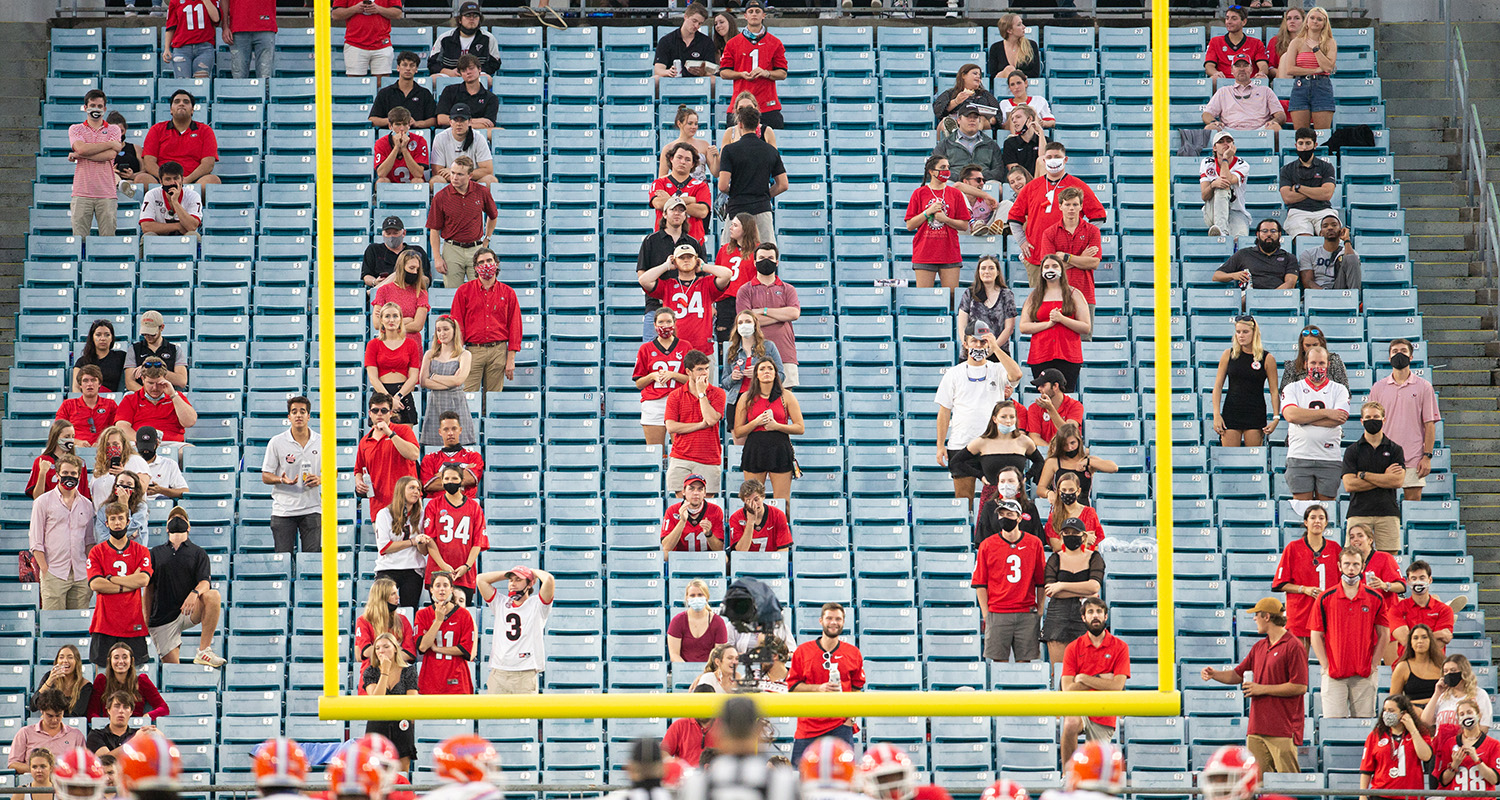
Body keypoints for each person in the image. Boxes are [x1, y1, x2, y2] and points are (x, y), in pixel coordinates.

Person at [1200, 598, 1308, 776]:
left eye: (1256, 615)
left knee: (1289, 784)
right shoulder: (1259, 647)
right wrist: (1215, 674)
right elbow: (1237, 674)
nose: (1254, 619)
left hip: (1283, 729)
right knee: (1255, 785)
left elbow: (1300, 686)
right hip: (1256, 729)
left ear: (1266, 616)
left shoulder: (1294, 646)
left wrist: (1261, 688)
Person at [937, 327, 1021, 499]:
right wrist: (940, 445)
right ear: (966, 344)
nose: (978, 345)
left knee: (998, 500)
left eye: (982, 341)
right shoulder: (953, 373)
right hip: (961, 443)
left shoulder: (997, 369)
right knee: (963, 498)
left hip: (993, 444)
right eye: (974, 341)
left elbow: (1016, 375)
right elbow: (944, 411)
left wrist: (996, 348)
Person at [1008, 143, 1107, 287]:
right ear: (1044, 160)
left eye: (1057, 157)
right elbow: (1014, 217)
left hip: (1069, 260)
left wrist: (1083, 240)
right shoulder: (1031, 187)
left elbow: (1098, 216)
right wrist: (1022, 241)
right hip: (1037, 258)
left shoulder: (1077, 185)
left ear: (1065, 159)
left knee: (1069, 306)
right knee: (1041, 306)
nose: (1053, 160)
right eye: (1049, 157)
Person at [1312, 548, 1389, 718]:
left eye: (1356, 564)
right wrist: (1325, 666)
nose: (1351, 569)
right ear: (1339, 566)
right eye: (1347, 564)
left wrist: (1374, 664)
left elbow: (1384, 634)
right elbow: (1316, 635)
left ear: (1363, 567)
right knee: (1333, 727)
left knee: (1363, 728)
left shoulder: (1375, 598)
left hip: (1364, 674)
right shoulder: (1325, 598)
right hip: (1334, 674)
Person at [144, 508, 224, 667]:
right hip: (162, 616)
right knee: (173, 669)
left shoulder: (198, 553)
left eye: (181, 518)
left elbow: (205, 583)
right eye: (173, 518)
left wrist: (194, 593)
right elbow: (149, 589)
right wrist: (145, 619)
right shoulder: (155, 553)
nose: (177, 519)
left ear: (189, 527)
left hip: (188, 610)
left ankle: (204, 651)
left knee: (213, 595)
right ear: (167, 527)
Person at [787, 603, 865, 763]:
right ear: (821, 621)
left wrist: (851, 719)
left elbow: (857, 688)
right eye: (829, 618)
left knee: (844, 778)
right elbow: (793, 688)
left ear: (843, 622)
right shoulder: (802, 651)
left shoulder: (853, 653)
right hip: (808, 726)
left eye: (838, 619)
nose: (834, 622)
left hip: (840, 725)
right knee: (802, 777)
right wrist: (818, 688)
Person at [971, 498, 1046, 663]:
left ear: (1019, 518)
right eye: (1002, 514)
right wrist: (986, 613)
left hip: (1026, 612)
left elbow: (1041, 581)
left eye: (1010, 514)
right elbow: (980, 583)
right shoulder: (987, 545)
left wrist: (1039, 610)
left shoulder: (1034, 544)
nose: (1005, 518)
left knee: (1025, 662)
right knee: (999, 664)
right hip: (998, 612)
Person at [1369, 339, 1439, 502]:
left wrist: (1427, 457)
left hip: (1414, 456)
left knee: (1413, 505)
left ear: (1411, 357)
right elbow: (1371, 425)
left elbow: (1429, 424)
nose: (1399, 354)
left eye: (1403, 351)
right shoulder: (1378, 388)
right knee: (1384, 507)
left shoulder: (1424, 387)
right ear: (1389, 358)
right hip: (1384, 456)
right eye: (1394, 351)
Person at [1060, 598, 1130, 762]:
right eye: (1090, 612)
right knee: (1070, 724)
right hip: (1079, 707)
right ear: (1083, 618)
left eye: (1099, 611)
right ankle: (1067, 775)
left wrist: (1084, 679)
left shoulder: (1120, 647)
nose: (1095, 616)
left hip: (1105, 711)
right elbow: (1067, 688)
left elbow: (1117, 686)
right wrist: (1102, 680)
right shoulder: (1073, 647)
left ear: (1106, 616)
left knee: (1095, 761)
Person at [86, 503, 153, 666]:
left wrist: (111, 579)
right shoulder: (97, 551)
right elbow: (95, 584)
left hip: (133, 622)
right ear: (107, 523)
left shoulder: (141, 551)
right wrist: (130, 582)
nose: (117, 523)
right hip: (104, 624)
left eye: (121, 518)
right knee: (102, 679)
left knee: (135, 678)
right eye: (113, 519)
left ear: (128, 521)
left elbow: (143, 580)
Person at [449, 248, 522, 395]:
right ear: (475, 268)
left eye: (489, 260)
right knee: (468, 396)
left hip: (498, 350)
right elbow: (457, 325)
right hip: (472, 351)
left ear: (496, 263)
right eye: (481, 262)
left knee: (493, 398)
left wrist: (511, 359)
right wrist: (457, 355)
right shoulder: (463, 291)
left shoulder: (508, 293)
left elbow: (515, 326)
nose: (486, 264)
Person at [1281, 346, 1350, 501]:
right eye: (1313, 363)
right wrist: (1327, 412)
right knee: (1302, 509)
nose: (1317, 367)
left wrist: (1304, 417)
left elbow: (1339, 418)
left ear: (1328, 365)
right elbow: (1291, 415)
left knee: (1327, 511)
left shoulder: (1339, 390)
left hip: (1329, 458)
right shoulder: (1293, 388)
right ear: (1305, 364)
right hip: (1299, 455)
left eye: (1321, 363)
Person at [476, 565, 555, 694]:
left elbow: (549, 580)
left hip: (525, 672)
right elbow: (481, 579)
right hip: (499, 672)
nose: (513, 584)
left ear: (530, 583)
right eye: (511, 580)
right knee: (496, 714)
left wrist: (532, 572)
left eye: (518, 580)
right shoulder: (500, 603)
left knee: (524, 714)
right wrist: (512, 572)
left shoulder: (538, 605)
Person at [731, 358, 803, 499]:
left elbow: (800, 427)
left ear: (776, 373)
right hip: (755, 450)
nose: (766, 372)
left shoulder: (786, 396)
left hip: (780, 449)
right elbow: (738, 431)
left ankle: (782, 521)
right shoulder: (746, 397)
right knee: (753, 499)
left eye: (770, 369)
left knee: (783, 501)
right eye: (762, 369)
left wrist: (777, 426)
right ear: (756, 374)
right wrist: (756, 423)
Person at [30, 454, 94, 611]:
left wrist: (89, 568)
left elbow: (89, 541)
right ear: (57, 475)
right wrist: (45, 570)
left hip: (80, 574)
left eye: (73, 473)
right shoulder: (42, 502)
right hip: (54, 573)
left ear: (79, 475)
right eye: (65, 473)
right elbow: (36, 541)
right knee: (53, 625)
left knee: (78, 626)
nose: (69, 477)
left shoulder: (87, 505)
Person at [1272, 504, 1341, 649]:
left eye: (1321, 518)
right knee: (1299, 663)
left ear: (1326, 523)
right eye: (1313, 517)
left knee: (1332, 666)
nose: (1317, 521)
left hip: (1328, 613)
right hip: (1301, 614)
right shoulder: (1293, 548)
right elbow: (1279, 584)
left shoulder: (1335, 548)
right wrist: (1304, 589)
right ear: (1305, 522)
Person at [717, 106, 788, 246]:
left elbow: (722, 185)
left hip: (737, 209)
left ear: (740, 124)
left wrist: (738, 192)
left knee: (730, 254)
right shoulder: (770, 150)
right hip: (762, 208)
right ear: (758, 124)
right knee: (766, 256)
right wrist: (764, 195)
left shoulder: (730, 150)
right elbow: (783, 184)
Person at [1343, 403, 1407, 554]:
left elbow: (1397, 481)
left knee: (1389, 562)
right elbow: (1349, 484)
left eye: (1376, 417)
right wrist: (1384, 479)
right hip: (1358, 512)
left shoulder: (1395, 449)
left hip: (1387, 512)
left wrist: (1365, 475)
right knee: (1353, 559)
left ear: (1384, 420)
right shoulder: (1352, 451)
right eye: (1368, 417)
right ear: (1362, 421)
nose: (1373, 420)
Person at [1019, 255, 1091, 390]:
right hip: (1041, 354)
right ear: (1041, 271)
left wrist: (1062, 319)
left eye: (1054, 266)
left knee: (1065, 395)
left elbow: (1086, 327)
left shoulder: (1074, 294)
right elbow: (1023, 326)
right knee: (1044, 396)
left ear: (1061, 270)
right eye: (1046, 267)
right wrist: (1048, 324)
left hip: (1068, 354)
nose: (1050, 269)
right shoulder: (1034, 296)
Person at [734, 243, 800, 387]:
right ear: (754, 262)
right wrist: (781, 314)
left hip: (784, 352)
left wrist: (763, 311)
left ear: (777, 262)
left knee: (784, 403)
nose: (766, 261)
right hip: (753, 355)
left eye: (770, 258)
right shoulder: (745, 290)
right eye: (762, 258)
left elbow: (794, 313)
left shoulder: (788, 289)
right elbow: (745, 321)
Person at [262, 396, 321, 554]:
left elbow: (333, 472)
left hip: (312, 509)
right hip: (283, 510)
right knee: (283, 560)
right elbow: (266, 475)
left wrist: (320, 479)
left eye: (303, 411)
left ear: (309, 416)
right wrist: (281, 479)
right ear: (289, 417)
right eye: (294, 412)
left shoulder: (321, 442)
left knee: (311, 562)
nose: (298, 415)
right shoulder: (276, 442)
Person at [420, 465, 486, 604]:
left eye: (455, 478)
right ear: (442, 481)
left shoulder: (474, 507)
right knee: (440, 616)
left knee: (462, 619)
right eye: (447, 478)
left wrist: (466, 566)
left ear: (461, 481)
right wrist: (443, 565)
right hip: (438, 572)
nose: (451, 481)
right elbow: (429, 539)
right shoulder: (433, 505)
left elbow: (478, 541)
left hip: (465, 573)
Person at [427, 157, 497, 287]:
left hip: (476, 248)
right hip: (452, 249)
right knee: (453, 294)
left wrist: (487, 239)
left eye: (460, 174)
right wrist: (437, 257)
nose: (454, 177)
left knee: (480, 292)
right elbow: (434, 229)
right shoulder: (441, 196)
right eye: (452, 173)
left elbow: (493, 216)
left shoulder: (482, 192)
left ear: (470, 175)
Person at [904, 154, 972, 289]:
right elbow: (910, 225)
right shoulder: (919, 193)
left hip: (949, 252)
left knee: (952, 296)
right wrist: (927, 212)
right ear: (931, 171)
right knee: (924, 297)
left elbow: (964, 225)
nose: (946, 170)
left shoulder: (956, 194)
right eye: (942, 167)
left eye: (948, 167)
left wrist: (945, 219)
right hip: (924, 252)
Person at [1212, 315, 1280, 447]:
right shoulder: (1228, 355)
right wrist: (1216, 414)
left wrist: (1276, 417)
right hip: (1232, 411)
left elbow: (1273, 390)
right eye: (1238, 332)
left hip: (1255, 412)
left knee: (1253, 458)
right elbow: (1218, 386)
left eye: (1245, 332)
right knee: (1230, 458)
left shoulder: (1267, 358)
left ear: (1254, 333)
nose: (1241, 335)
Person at [665, 351, 728, 494]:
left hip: (708, 457)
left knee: (707, 506)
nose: (704, 373)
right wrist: (700, 425)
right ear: (688, 371)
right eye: (700, 369)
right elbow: (671, 426)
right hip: (681, 457)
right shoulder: (675, 396)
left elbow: (711, 419)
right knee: (682, 505)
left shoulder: (718, 393)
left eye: (706, 368)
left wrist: (702, 394)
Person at [718, 1, 786, 128]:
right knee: (734, 144)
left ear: (763, 15)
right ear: (745, 16)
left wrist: (767, 73)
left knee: (772, 144)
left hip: (767, 104)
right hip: (740, 104)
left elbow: (782, 73)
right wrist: (740, 74)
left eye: (757, 11)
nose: (754, 14)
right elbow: (723, 72)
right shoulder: (733, 43)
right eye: (750, 11)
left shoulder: (775, 43)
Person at [353, 393, 421, 519]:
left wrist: (389, 433)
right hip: (378, 507)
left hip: (406, 503)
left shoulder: (403, 431)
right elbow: (358, 470)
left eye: (384, 410)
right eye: (375, 410)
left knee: (410, 540)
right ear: (370, 413)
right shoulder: (364, 441)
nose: (379, 414)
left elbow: (414, 454)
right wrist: (358, 482)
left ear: (390, 413)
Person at [360, 632, 419, 769]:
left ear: (395, 648)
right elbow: (376, 702)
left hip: (402, 726)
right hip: (377, 726)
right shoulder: (370, 672)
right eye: (377, 648)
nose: (381, 651)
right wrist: (384, 671)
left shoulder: (409, 671)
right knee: (377, 775)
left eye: (386, 646)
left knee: (401, 775)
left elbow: (412, 703)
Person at [1039, 187, 1103, 312]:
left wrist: (1066, 257)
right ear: (1060, 206)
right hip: (1057, 294)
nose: (1071, 208)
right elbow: (1049, 268)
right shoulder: (1049, 233)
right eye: (1067, 204)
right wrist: (1082, 259)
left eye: (1075, 204)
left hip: (1085, 294)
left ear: (1081, 206)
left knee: (1085, 331)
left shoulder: (1093, 231)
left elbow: (1094, 263)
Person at [69, 89, 122, 237]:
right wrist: (110, 144)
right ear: (85, 108)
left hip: (106, 193)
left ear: (104, 109)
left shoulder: (114, 129)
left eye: (99, 106)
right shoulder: (76, 129)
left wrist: (81, 155)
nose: (96, 109)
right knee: (79, 241)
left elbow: (111, 155)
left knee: (107, 241)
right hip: (81, 193)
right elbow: (81, 148)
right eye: (92, 105)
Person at [414, 571, 476, 695]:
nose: (442, 589)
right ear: (431, 590)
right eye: (437, 586)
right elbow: (422, 647)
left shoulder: (464, 615)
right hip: (431, 678)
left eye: (445, 585)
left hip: (457, 679)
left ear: (451, 589)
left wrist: (437, 649)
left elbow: (466, 650)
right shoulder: (422, 614)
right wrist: (438, 621)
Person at [1359, 695, 1432, 799]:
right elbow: (1366, 768)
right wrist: (1362, 795)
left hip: (1410, 795)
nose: (1387, 714)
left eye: (1391, 710)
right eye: (1385, 710)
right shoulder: (1376, 735)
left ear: (1403, 713)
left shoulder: (1421, 732)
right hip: (1381, 794)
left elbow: (1426, 756)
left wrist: (1412, 730)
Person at [140, 90, 220, 186]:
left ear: (192, 110)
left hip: (193, 181)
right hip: (162, 181)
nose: (181, 104)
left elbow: (208, 164)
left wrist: (186, 180)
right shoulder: (156, 129)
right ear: (171, 110)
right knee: (141, 179)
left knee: (213, 180)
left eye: (186, 102)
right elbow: (149, 162)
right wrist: (166, 179)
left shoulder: (205, 130)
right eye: (177, 102)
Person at [373, 477, 427, 614]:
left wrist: (420, 543)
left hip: (413, 570)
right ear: (400, 490)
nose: (416, 492)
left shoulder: (422, 515)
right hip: (388, 569)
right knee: (385, 613)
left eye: (418, 489)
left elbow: (424, 551)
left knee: (409, 613)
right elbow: (384, 548)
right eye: (412, 488)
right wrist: (412, 542)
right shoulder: (384, 514)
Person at [355, 578, 418, 692]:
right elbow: (365, 651)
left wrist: (383, 655)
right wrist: (393, 651)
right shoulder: (363, 621)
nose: (398, 597)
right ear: (382, 597)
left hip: (398, 681)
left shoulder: (403, 621)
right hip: (371, 680)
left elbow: (410, 653)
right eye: (393, 594)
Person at [1280, 6, 1337, 131]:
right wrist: (1314, 70)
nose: (1315, 21)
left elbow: (1328, 67)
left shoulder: (1330, 42)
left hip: (1322, 86)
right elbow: (1290, 69)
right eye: (1312, 18)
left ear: (1324, 23)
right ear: (1307, 21)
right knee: (1301, 133)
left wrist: (1315, 49)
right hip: (1301, 86)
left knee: (1322, 133)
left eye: (1319, 19)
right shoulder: (1296, 42)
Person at [365, 302, 422, 427]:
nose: (391, 320)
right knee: (381, 441)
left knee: (405, 441)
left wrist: (398, 397)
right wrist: (389, 400)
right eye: (387, 316)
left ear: (401, 319)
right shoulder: (373, 344)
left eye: (395, 316)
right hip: (381, 394)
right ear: (381, 320)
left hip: (403, 395)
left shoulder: (411, 344)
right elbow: (372, 377)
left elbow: (413, 376)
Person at [1036, 423, 1118, 506]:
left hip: (1084, 510)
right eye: (1065, 444)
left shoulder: (1088, 461)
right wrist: (1049, 493)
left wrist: (1088, 462)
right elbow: (1040, 489)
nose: (1069, 447)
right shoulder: (1053, 462)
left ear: (1079, 442)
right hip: (1062, 510)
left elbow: (1113, 468)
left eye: (1072, 443)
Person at [1278, 127, 1338, 239]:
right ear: (1296, 145)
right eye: (1301, 143)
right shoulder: (1286, 169)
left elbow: (1326, 194)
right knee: (1304, 240)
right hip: (1298, 212)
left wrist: (1298, 187)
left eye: (1308, 143)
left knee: (1330, 236)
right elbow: (1287, 198)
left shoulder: (1326, 167)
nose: (1304, 148)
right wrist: (1316, 191)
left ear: (1315, 145)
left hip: (1323, 210)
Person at [1433, 698, 1500, 794]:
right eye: (1462, 714)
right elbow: (1444, 781)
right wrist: (1454, 765)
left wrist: (1477, 760)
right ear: (1458, 719)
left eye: (1469, 712)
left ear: (1478, 715)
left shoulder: (1494, 745)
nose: (1466, 716)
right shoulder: (1449, 743)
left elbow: (1494, 780)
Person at [115, 366, 195, 445]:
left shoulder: (177, 396)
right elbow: (122, 426)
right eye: (150, 383)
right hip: (140, 443)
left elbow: (189, 422)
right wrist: (143, 440)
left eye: (159, 383)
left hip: (172, 444)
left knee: (189, 450)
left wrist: (173, 395)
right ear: (143, 380)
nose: (155, 388)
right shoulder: (130, 399)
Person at [1203, 56, 1286, 131]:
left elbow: (1281, 115)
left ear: (1251, 69)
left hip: (1260, 129)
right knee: (1209, 128)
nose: (1241, 69)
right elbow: (1206, 114)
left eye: (1245, 66)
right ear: (1232, 70)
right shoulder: (1223, 91)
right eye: (1238, 66)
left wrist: (1274, 121)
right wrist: (1213, 122)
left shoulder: (1265, 90)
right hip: (1229, 130)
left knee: (1275, 128)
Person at [86, 643, 168, 719]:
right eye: (116, 657)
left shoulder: (142, 681)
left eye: (125, 657)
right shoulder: (101, 681)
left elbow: (163, 708)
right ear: (109, 661)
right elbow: (92, 713)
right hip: (109, 729)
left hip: (134, 729)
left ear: (131, 660)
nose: (121, 661)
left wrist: (147, 716)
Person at [7, 691, 85, 771]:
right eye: (50, 716)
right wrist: (39, 770)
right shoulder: (25, 733)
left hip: (65, 781)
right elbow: (13, 765)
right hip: (33, 781)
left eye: (58, 715)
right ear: (41, 711)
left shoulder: (76, 735)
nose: (54, 720)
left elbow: (83, 765)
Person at [1390, 560, 1455, 654]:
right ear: (1408, 581)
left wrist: (1414, 638)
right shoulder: (1396, 609)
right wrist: (1437, 634)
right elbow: (1405, 640)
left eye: (1422, 578)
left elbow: (1439, 644)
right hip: (1406, 665)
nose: (1418, 582)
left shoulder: (1444, 610)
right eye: (1414, 578)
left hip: (1434, 665)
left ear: (1430, 580)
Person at [1211, 220, 1297, 290]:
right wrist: (1234, 275)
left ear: (1279, 235)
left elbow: (1290, 284)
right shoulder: (1244, 254)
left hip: (1278, 298)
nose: (1269, 234)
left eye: (1273, 231)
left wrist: (1269, 298)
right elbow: (1217, 276)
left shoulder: (1289, 257)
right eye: (1264, 231)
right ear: (1258, 235)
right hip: (1249, 297)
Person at [653, 143, 713, 242]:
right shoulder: (659, 183)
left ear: (693, 164)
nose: (683, 162)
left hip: (694, 241)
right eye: (679, 157)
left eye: (688, 159)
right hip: (663, 241)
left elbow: (702, 212)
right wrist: (690, 200)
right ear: (671, 159)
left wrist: (670, 201)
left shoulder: (701, 186)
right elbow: (658, 203)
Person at [957, 255, 1016, 352]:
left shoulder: (1007, 294)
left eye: (991, 268)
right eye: (983, 268)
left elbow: (1009, 328)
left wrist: (992, 349)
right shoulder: (969, 293)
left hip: (998, 352)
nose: (987, 272)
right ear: (978, 272)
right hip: (973, 351)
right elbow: (962, 326)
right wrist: (970, 346)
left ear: (997, 272)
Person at [934, 105, 1005, 184]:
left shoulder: (990, 144)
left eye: (975, 117)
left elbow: (999, 171)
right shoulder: (945, 144)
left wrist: (977, 178)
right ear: (959, 120)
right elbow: (937, 169)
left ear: (979, 121)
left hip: (983, 183)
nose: (972, 120)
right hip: (956, 183)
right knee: (947, 184)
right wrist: (963, 178)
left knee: (995, 185)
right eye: (968, 116)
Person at [1199, 130, 1251, 240]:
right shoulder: (1207, 163)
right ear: (1214, 148)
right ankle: (1221, 231)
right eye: (1221, 142)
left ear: (1233, 145)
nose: (1226, 144)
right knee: (1220, 187)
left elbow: (1226, 179)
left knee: (1240, 240)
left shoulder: (1242, 164)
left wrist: (1225, 158)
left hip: (1236, 211)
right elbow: (1204, 196)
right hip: (1212, 211)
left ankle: (1220, 231)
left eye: (1229, 141)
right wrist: (1213, 184)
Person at [332, 0, 402, 79]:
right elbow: (335, 14)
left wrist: (378, 9)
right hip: (355, 43)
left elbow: (398, 13)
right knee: (356, 84)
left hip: (381, 43)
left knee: (382, 83)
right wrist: (355, 9)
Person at [428, 3, 501, 79]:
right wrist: (448, 72)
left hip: (477, 75)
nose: (472, 19)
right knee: (433, 79)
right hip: (451, 74)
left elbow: (495, 63)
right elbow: (432, 63)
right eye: (468, 15)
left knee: (488, 79)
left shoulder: (488, 38)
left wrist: (474, 72)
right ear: (460, 19)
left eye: (475, 16)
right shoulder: (445, 38)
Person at [420, 411, 482, 498]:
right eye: (446, 429)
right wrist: (461, 472)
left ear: (460, 430)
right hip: (438, 507)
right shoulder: (430, 458)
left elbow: (471, 479)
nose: (450, 433)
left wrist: (441, 475)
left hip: (467, 506)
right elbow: (429, 486)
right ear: (440, 432)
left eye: (454, 429)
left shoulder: (473, 456)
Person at [1423, 654, 1494, 729]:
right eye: (1445, 671)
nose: (1449, 674)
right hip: (1442, 740)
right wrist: (1437, 694)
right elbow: (1425, 722)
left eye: (1453, 670)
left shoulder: (1479, 694)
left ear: (1464, 672)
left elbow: (1484, 726)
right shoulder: (1442, 697)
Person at [370, 52, 437, 129]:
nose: (408, 68)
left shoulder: (425, 93)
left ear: (416, 69)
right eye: (404, 65)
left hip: (416, 136)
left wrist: (417, 123)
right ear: (398, 68)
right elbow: (373, 119)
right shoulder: (385, 93)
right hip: (390, 135)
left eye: (412, 65)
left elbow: (433, 120)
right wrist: (393, 121)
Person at [668, 579, 731, 662]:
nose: (696, 598)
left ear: (707, 597)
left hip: (710, 672)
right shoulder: (677, 621)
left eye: (700, 595)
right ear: (687, 598)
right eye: (692, 595)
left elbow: (719, 656)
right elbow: (674, 655)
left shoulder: (718, 622)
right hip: (684, 671)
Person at [124, 311, 189, 391]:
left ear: (162, 327)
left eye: (152, 334)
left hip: (167, 396)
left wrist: (152, 369)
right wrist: (148, 395)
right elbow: (129, 382)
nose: (148, 337)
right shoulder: (134, 349)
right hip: (142, 396)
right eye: (145, 334)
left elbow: (182, 381)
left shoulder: (175, 350)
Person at [661, 474, 725, 554]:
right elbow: (666, 547)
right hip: (680, 557)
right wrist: (682, 522)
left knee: (724, 559)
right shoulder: (672, 511)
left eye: (700, 489)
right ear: (683, 492)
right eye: (691, 489)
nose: (696, 493)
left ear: (705, 493)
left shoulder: (715, 510)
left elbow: (719, 550)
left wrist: (709, 534)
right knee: (665, 555)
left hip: (707, 557)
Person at [1025, 369, 1084, 454]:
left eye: (1043, 385)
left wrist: (1050, 409)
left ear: (1055, 386)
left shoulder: (1075, 406)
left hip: (1069, 453)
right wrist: (1052, 452)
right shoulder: (1034, 408)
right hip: (1045, 454)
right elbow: (1034, 437)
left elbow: (1069, 434)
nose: (1038, 388)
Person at [363, 217, 432, 288]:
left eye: (395, 233)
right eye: (388, 233)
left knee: (397, 275)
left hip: (410, 289)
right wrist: (375, 282)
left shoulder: (417, 251)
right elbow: (366, 276)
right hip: (384, 291)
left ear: (403, 233)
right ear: (383, 234)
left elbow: (426, 279)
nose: (391, 237)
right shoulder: (373, 249)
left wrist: (406, 277)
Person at [137, 162, 202, 238]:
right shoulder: (151, 195)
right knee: (148, 236)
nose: (172, 183)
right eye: (168, 179)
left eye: (176, 178)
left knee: (193, 235)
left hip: (184, 239)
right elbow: (146, 227)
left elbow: (192, 227)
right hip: (159, 239)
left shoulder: (193, 196)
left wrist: (175, 202)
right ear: (161, 181)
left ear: (182, 179)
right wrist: (178, 226)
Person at [1204, 4, 1269, 80]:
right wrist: (1215, 73)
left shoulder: (1256, 43)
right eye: (1227, 18)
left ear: (1244, 22)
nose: (1229, 22)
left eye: (1234, 19)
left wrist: (1261, 72)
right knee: (1213, 79)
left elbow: (1263, 65)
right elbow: (1209, 66)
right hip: (1224, 83)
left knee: (1262, 79)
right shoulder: (1215, 41)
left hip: (1248, 83)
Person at [727, 479, 793, 553]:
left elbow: (783, 550)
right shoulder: (735, 518)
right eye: (749, 501)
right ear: (743, 501)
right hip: (745, 562)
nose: (754, 505)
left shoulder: (778, 515)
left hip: (771, 562)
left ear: (763, 497)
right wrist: (750, 522)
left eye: (756, 499)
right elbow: (740, 552)